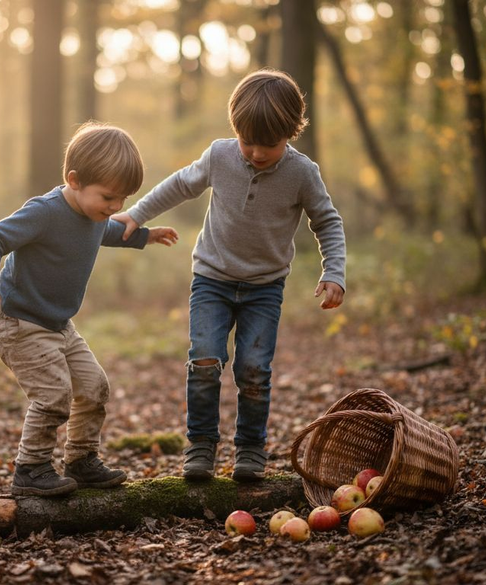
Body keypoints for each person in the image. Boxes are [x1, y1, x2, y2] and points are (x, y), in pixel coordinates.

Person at [112, 69, 347, 483]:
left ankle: (251, 447)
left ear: (291, 132)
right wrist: (136, 214)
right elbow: (180, 185)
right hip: (212, 279)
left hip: (264, 287)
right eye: (247, 141)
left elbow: (327, 221)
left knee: (254, 369)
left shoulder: (302, 173)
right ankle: (201, 444)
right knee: (204, 360)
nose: (255, 152)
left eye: (268, 144)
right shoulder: (220, 156)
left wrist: (334, 272)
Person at [0, 123, 179, 497]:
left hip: (59, 325)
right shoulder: (45, 212)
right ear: (74, 180)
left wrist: (145, 236)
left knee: (94, 387)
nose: (116, 207)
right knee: (53, 394)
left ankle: (81, 461)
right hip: (19, 323)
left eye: (123, 199)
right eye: (109, 197)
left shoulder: (94, 215)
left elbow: (109, 231)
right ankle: (31, 468)